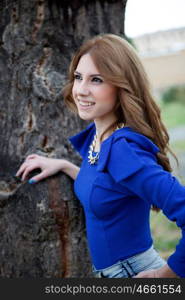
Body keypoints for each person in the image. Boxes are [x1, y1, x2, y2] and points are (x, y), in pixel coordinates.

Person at [16, 34, 185, 278]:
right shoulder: (102, 139)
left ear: (122, 85)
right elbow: (107, 186)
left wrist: (164, 275)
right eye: (78, 77)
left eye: (96, 80)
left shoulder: (123, 151)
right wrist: (65, 166)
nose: (81, 90)